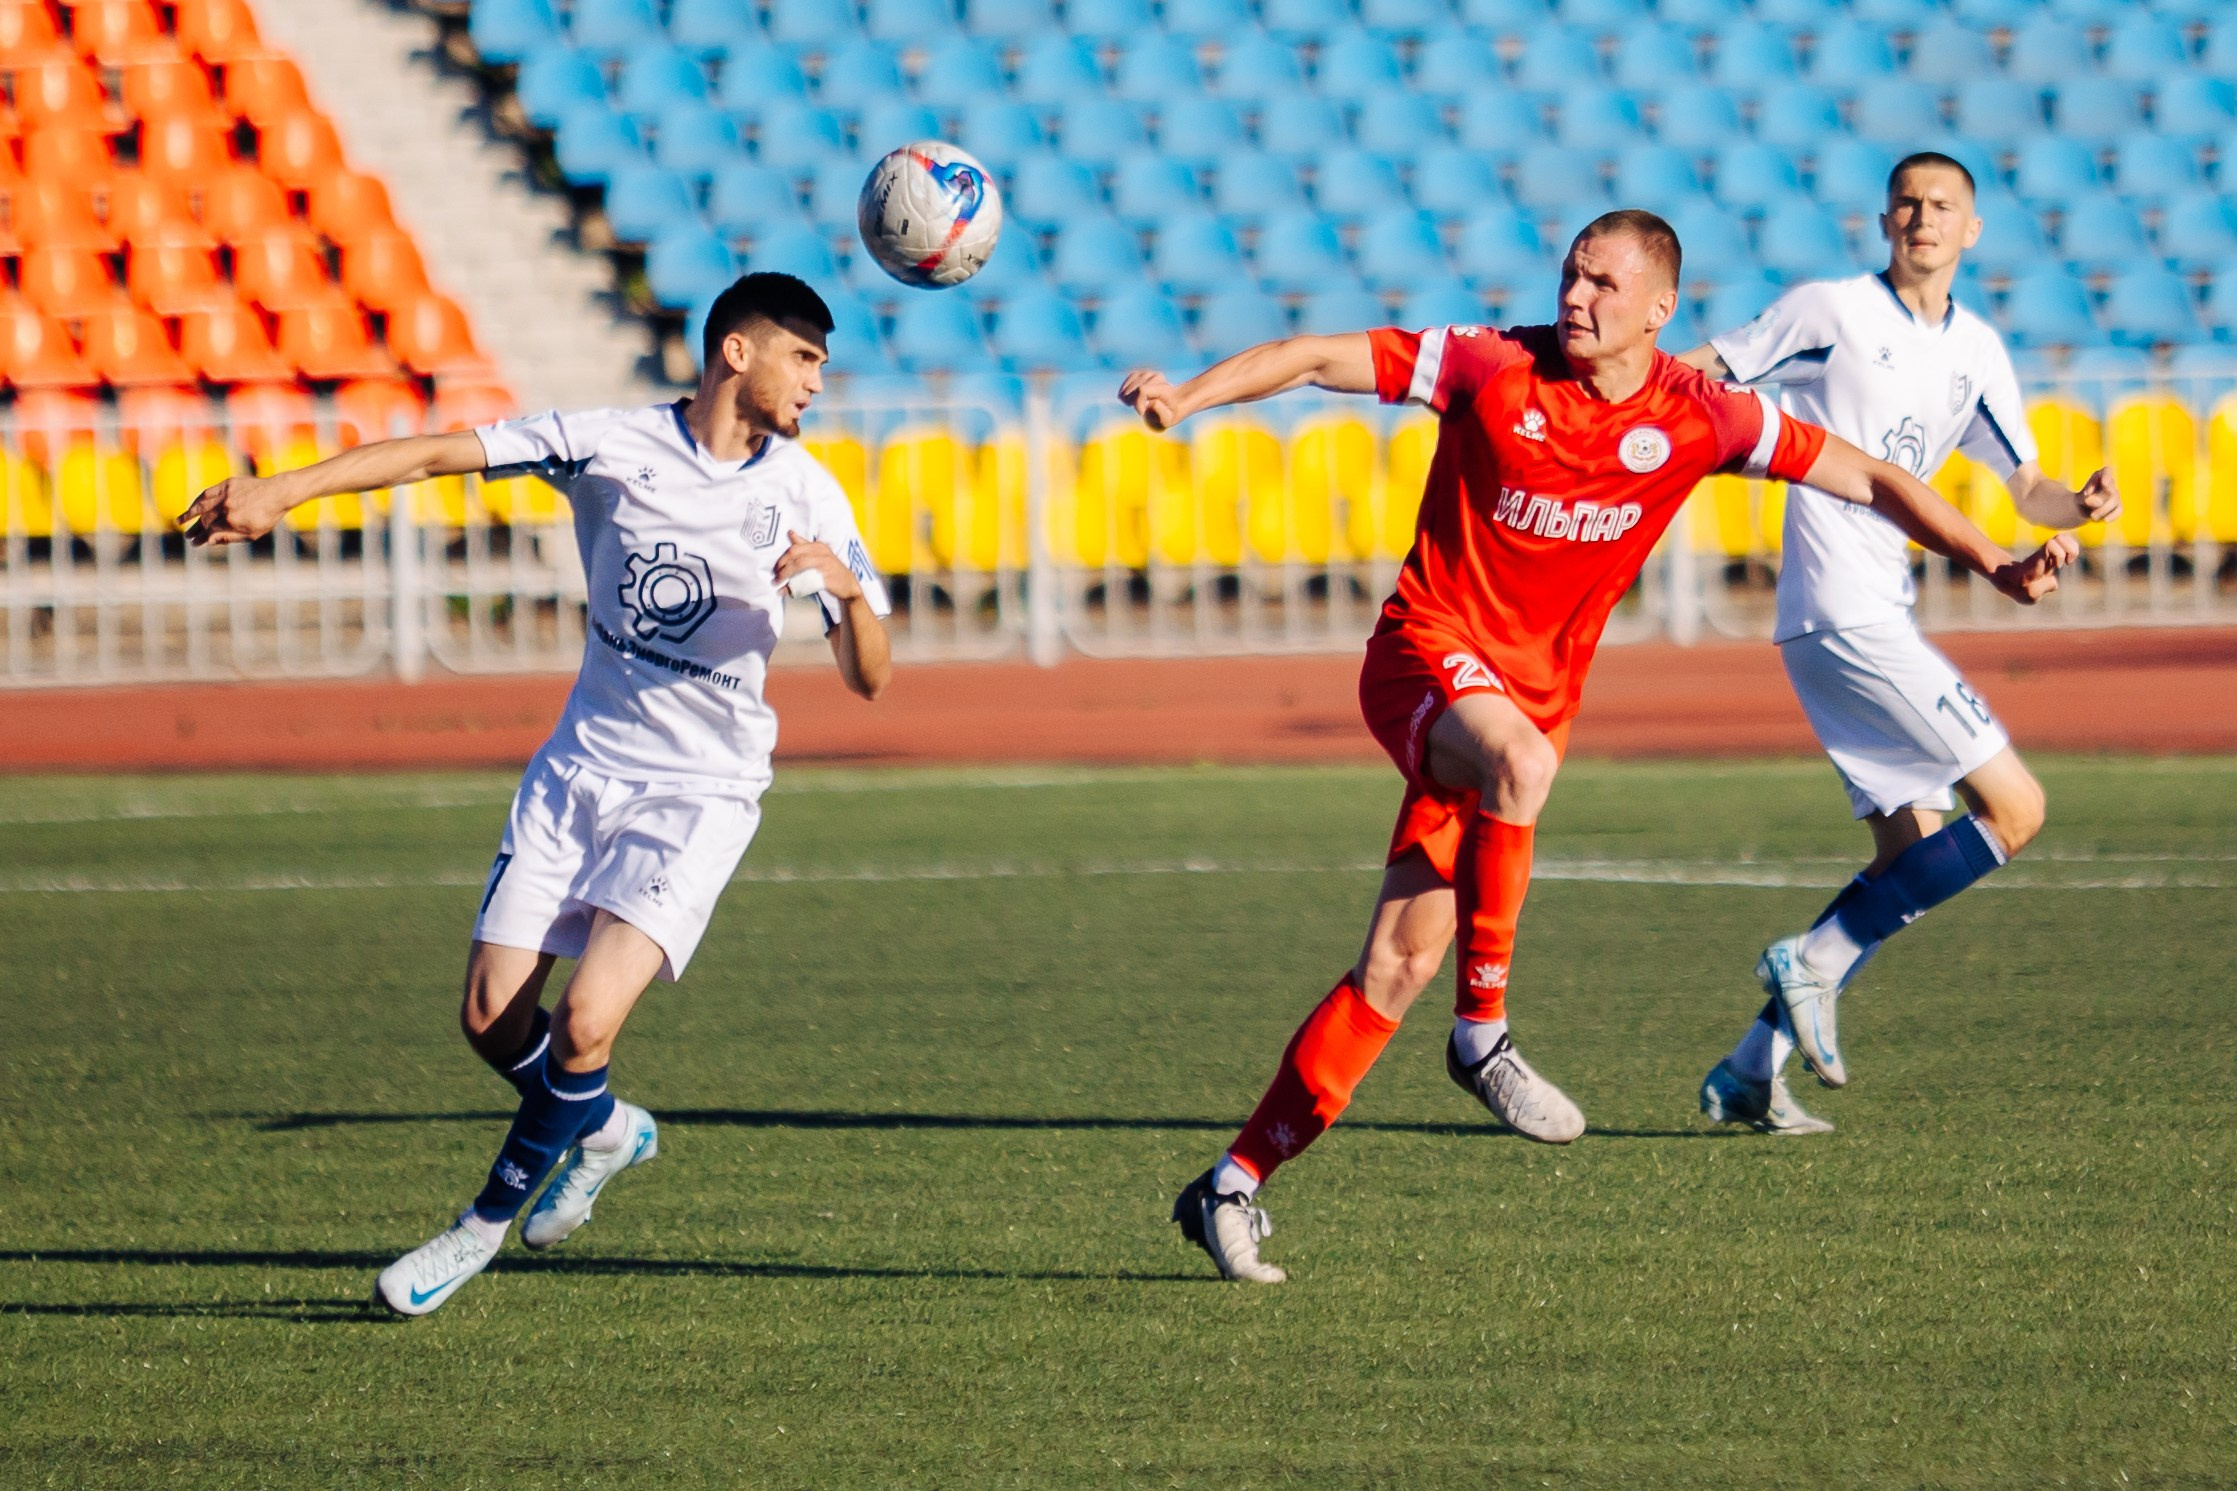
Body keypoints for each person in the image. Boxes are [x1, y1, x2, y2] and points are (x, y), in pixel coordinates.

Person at [1121, 210, 2078, 1285]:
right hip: (1424, 662)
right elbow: (1310, 357)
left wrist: (1993, 561)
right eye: (1570, 276)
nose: (1574, 298)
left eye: (1601, 285)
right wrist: (1185, 395)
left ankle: (1231, 1184)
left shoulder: (1699, 416)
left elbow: (1868, 477)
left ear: (1658, 311)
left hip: (1517, 713)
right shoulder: (1489, 366)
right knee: (1517, 767)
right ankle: (1481, 1033)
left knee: (1394, 963)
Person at [176, 273, 892, 1316]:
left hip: (701, 791)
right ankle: (603, 1127)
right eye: (804, 358)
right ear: (737, 352)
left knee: (586, 1023)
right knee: (485, 1019)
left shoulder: (810, 494)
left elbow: (871, 676)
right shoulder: (607, 445)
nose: (817, 383)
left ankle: (475, 1230)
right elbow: (437, 452)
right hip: (579, 767)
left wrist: (838, 588)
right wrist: (285, 489)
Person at [1677, 152, 2119, 1134]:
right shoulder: (1828, 312)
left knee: (1909, 858)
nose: (1921, 217)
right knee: (2015, 809)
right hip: (1841, 608)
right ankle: (1811, 963)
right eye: (1907, 202)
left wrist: (2076, 507)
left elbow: (2025, 488)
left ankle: (1750, 1068)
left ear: (1971, 231)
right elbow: (1707, 366)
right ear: (1884, 219)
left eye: (1942, 206)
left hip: (1870, 610)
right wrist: (1621, 392)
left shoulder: (1978, 353)